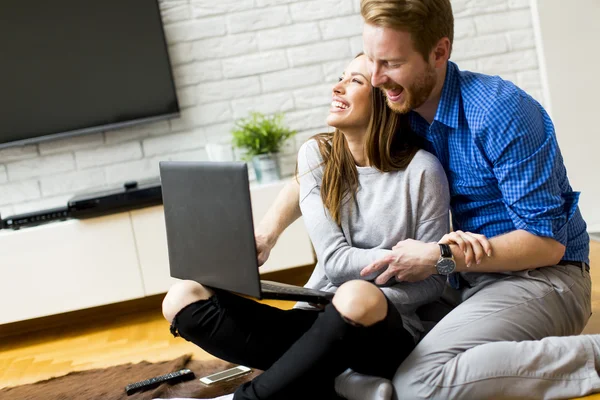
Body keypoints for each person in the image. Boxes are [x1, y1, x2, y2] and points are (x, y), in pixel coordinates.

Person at [254, 0, 598, 399]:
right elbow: (322, 167)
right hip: (462, 279)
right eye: (371, 60)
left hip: (542, 278)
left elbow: (547, 244)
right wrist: (267, 234)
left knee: (419, 384)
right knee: (351, 346)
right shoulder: (401, 105)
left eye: (391, 64)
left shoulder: (501, 112)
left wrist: (439, 256)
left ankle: (592, 355)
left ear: (439, 52)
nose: (377, 78)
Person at [160, 54, 453, 400]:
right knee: (181, 299)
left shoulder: (423, 172)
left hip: (385, 327)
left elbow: (435, 279)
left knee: (356, 296)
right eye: (341, 77)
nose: (337, 86)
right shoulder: (318, 156)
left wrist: (371, 296)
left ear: (384, 100)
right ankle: (338, 381)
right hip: (317, 313)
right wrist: (398, 263)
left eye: (355, 81)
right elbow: (334, 261)